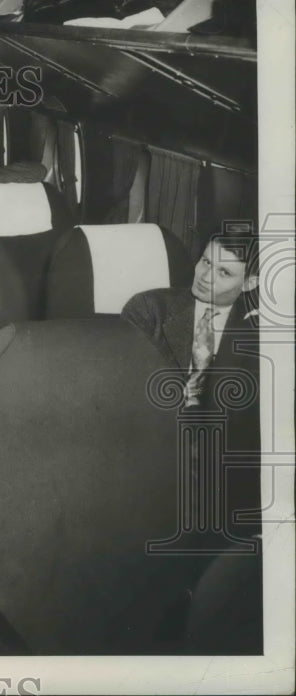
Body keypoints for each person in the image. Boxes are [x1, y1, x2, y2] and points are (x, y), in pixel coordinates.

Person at [121, 229, 260, 538]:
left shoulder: (258, 334)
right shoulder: (148, 310)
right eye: (205, 261)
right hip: (156, 451)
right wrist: (197, 376)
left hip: (228, 473)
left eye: (224, 272)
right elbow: (134, 397)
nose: (205, 276)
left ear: (250, 283)